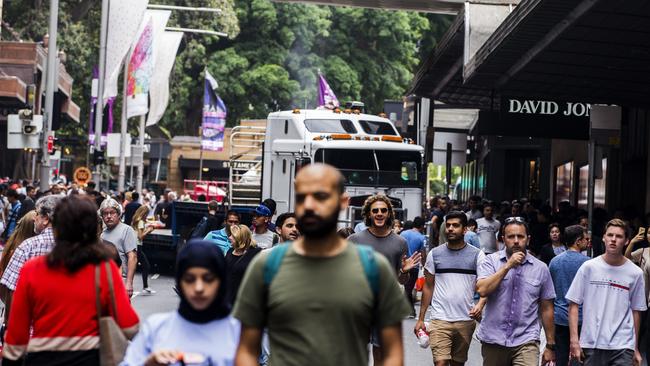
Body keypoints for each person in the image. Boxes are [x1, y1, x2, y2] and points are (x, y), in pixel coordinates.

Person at [233, 164, 410, 366]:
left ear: (343, 201)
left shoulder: (373, 267)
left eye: (321, 196)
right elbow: (246, 349)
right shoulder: (267, 264)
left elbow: (392, 352)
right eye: (302, 197)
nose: (310, 205)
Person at [2, 195, 139, 366]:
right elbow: (129, 325)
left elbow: (16, 334)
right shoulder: (103, 269)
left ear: (58, 228)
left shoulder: (32, 269)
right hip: (88, 359)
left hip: (41, 358)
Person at [121, 240, 239, 366]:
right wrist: (148, 363)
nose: (199, 288)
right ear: (180, 282)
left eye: (208, 279)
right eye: (189, 279)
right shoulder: (155, 328)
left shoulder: (239, 333)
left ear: (221, 281)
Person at [475, 217, 556, 366]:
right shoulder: (490, 262)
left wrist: (550, 345)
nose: (516, 241)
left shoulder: (541, 268)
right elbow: (482, 289)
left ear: (528, 239)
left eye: (521, 236)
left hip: (526, 340)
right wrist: (507, 266)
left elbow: (547, 308)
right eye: (511, 237)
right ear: (503, 239)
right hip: (494, 340)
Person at [567, 219, 646, 366]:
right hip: (592, 343)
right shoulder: (588, 267)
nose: (613, 240)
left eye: (619, 236)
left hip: (623, 345)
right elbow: (573, 304)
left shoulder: (636, 273)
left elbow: (636, 311)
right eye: (610, 235)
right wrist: (574, 341)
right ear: (604, 237)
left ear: (627, 241)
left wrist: (635, 348)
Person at [415, 211, 486, 366]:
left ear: (465, 229)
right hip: (440, 319)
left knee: (457, 363)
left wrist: (480, 305)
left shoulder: (477, 255)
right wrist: (421, 318)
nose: (450, 229)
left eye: (455, 225)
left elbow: (486, 286)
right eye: (448, 226)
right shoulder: (435, 254)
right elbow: (428, 286)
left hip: (465, 319)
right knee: (440, 363)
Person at [0, 195, 61, 319]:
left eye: (37, 213)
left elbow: (12, 292)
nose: (34, 218)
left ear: (46, 218)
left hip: (32, 330)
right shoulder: (79, 247)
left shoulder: (28, 246)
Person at [548, 224, 590, 366]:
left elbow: (551, 290)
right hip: (581, 317)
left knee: (561, 357)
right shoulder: (588, 263)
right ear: (578, 241)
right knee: (580, 357)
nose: (588, 241)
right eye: (585, 239)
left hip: (559, 316)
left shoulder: (554, 262)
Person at [99, 198, 138, 297]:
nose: (108, 216)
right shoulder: (103, 234)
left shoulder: (127, 230)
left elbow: (132, 257)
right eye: (105, 213)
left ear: (118, 213)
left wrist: (129, 283)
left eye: (112, 213)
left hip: (121, 280)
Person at [225, 224, 261, 306]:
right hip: (228, 297)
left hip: (245, 299)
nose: (229, 237)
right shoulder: (230, 251)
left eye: (233, 236)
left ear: (240, 238)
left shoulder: (254, 253)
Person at [400, 216, 427, 317]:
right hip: (414, 266)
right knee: (408, 288)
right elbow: (423, 253)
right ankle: (410, 311)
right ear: (422, 226)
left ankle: (409, 310)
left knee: (406, 288)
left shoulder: (403, 233)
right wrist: (424, 265)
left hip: (402, 265)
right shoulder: (421, 237)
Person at [131, 205, 155, 295]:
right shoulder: (140, 222)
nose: (147, 216)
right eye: (146, 214)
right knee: (146, 266)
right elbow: (140, 237)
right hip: (138, 246)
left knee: (133, 267)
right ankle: (145, 287)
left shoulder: (136, 220)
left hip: (133, 245)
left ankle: (144, 286)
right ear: (144, 213)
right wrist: (149, 230)